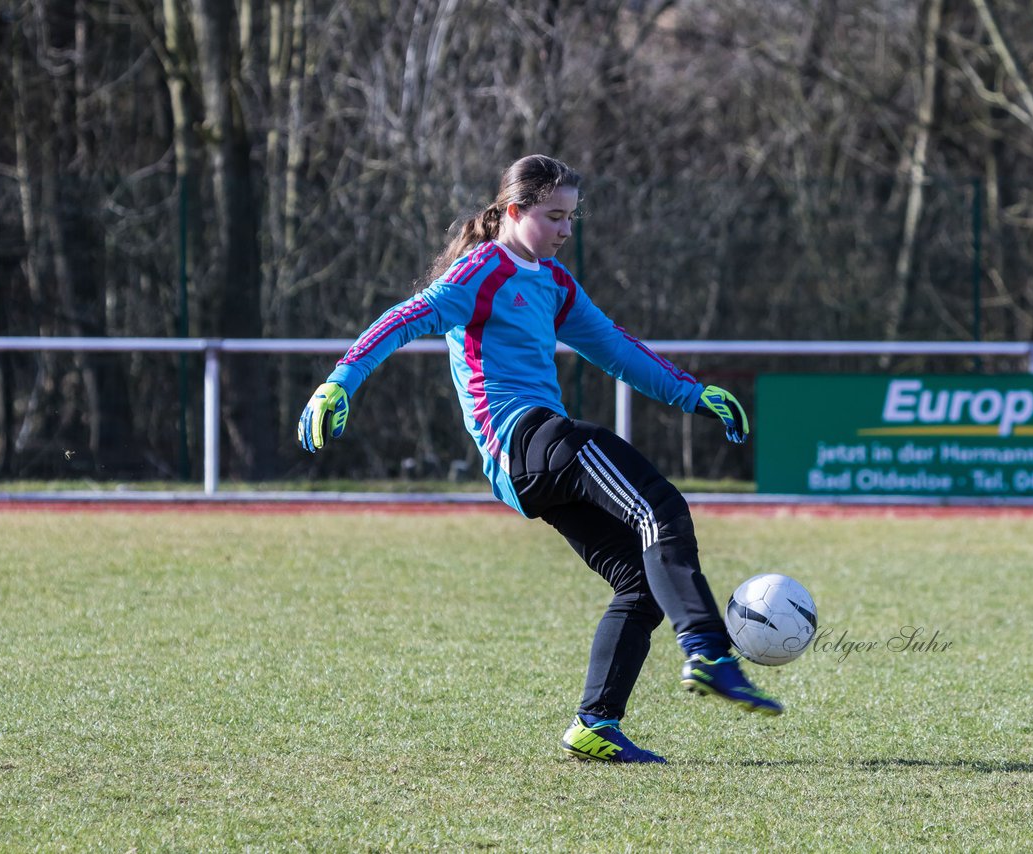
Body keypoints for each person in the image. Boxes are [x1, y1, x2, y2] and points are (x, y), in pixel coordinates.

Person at [298, 154, 782, 764]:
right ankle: (709, 650)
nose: (565, 231)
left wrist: (693, 392)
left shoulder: (553, 283)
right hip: (527, 439)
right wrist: (339, 380)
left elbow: (616, 349)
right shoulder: (482, 271)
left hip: (532, 466)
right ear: (513, 211)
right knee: (660, 507)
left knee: (641, 579)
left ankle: (595, 725)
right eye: (554, 216)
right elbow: (407, 317)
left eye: (572, 218)